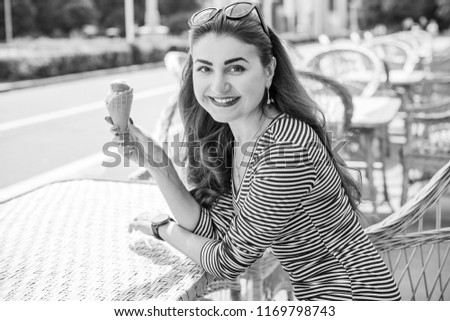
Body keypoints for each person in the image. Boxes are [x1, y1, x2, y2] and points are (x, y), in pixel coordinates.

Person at [107, 2, 401, 301]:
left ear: (269, 70)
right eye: (205, 68)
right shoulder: (239, 137)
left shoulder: (287, 148)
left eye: (236, 68)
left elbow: (227, 261)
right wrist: (158, 163)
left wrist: (161, 228)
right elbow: (214, 230)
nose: (218, 85)